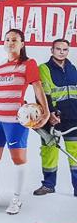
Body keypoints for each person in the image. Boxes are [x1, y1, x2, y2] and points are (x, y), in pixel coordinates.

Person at [0, 28, 49, 213]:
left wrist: (46, 112)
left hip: (15, 122)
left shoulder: (28, 64)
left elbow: (37, 88)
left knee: (18, 159)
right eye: (7, 39)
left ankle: (16, 199)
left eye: (14, 39)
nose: (10, 42)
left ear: (22, 44)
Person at [35, 38, 77, 196]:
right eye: (58, 49)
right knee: (49, 150)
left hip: (73, 117)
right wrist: (50, 112)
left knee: (75, 152)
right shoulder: (43, 68)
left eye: (65, 49)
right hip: (51, 117)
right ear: (52, 50)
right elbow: (43, 93)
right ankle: (48, 185)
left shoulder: (73, 69)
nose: (61, 52)